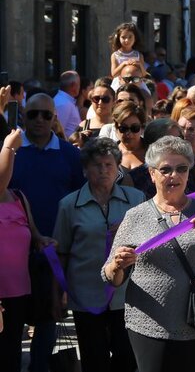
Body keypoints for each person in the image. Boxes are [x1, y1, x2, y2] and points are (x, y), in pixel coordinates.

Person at [102, 136, 195, 372]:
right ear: (152, 173)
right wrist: (117, 264)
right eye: (165, 169)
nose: (174, 175)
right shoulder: (135, 216)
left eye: (181, 169)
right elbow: (110, 277)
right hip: (149, 325)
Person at [54, 138, 145, 372]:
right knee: (95, 360)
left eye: (109, 165)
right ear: (85, 170)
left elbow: (150, 243)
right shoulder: (68, 205)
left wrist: (128, 232)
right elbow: (61, 252)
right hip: (85, 296)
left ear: (118, 169)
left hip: (128, 296)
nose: (103, 170)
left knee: (128, 358)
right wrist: (59, 293)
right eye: (97, 165)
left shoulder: (136, 200)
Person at [9, 93, 85, 372]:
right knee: (13, 320)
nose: (39, 120)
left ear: (54, 118)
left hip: (54, 249)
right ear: (24, 117)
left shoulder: (70, 155)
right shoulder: (10, 152)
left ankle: (38, 367)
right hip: (13, 252)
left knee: (48, 317)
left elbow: (80, 199)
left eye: (46, 114)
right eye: (33, 114)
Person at [0, 127, 51, 372]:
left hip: (18, 294)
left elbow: (34, 235)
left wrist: (44, 241)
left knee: (11, 356)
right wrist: (9, 147)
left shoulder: (19, 196)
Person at [78, 80, 116, 144]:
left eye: (105, 99)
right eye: (96, 98)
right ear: (91, 101)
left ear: (114, 102)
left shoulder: (120, 126)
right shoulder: (83, 126)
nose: (100, 103)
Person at [54, 70, 84, 139]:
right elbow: (58, 132)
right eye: (79, 84)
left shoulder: (66, 101)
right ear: (73, 85)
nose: (80, 87)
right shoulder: (63, 104)